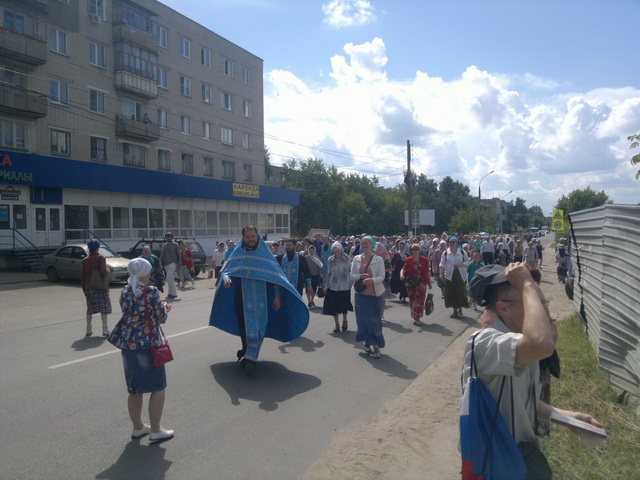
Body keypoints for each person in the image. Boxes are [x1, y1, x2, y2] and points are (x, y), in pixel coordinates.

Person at [462, 263, 601, 477]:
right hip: (495, 462)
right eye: (531, 300)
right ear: (504, 308)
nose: (541, 310)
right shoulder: (485, 343)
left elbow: (527, 403)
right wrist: (527, 284)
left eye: (541, 302)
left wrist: (568, 418)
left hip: (520, 458)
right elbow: (543, 343)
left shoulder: (520, 344)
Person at [209, 226, 309, 372]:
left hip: (261, 298)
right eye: (247, 237)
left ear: (257, 236)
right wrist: (226, 278)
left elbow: (275, 276)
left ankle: (251, 357)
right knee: (244, 327)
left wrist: (277, 296)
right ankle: (246, 349)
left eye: (253, 236)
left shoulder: (265, 253)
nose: (251, 239)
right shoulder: (238, 252)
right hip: (241, 298)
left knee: (258, 327)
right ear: (243, 238)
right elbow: (227, 270)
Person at [107, 258, 174, 443]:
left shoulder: (125, 290)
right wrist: (165, 308)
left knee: (134, 389)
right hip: (147, 346)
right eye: (149, 271)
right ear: (145, 273)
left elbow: (130, 313)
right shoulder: (151, 291)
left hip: (128, 345)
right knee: (158, 388)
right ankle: (156, 430)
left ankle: (138, 427)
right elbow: (160, 318)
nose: (151, 273)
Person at [351, 236, 385, 359]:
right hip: (360, 295)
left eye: (366, 243)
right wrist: (360, 276)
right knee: (363, 320)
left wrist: (372, 280)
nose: (364, 245)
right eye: (362, 243)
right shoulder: (356, 259)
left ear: (372, 245)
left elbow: (382, 276)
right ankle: (367, 342)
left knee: (374, 321)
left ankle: (375, 345)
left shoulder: (378, 259)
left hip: (374, 295)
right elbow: (352, 275)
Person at [81, 239, 112, 337]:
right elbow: (103, 272)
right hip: (100, 286)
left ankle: (88, 329)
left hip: (89, 286)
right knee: (104, 308)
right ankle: (105, 329)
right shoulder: (100, 258)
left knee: (90, 309)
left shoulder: (85, 260)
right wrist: (107, 270)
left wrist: (84, 289)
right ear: (98, 248)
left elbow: (83, 276)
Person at [322, 242, 353, 332]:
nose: (336, 253)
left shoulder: (346, 258)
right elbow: (329, 273)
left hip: (345, 285)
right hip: (333, 285)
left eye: (337, 252)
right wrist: (327, 285)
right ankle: (337, 324)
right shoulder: (330, 260)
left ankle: (345, 320)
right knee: (334, 306)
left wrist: (352, 281)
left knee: (344, 305)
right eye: (334, 252)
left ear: (341, 250)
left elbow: (350, 270)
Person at [400, 244, 432, 326]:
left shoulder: (424, 260)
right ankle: (415, 316)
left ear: (419, 250)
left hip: (421, 282)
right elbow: (403, 268)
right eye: (413, 249)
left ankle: (418, 318)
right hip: (411, 283)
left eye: (416, 249)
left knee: (420, 300)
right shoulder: (408, 259)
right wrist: (402, 275)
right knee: (413, 300)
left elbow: (427, 272)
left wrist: (429, 283)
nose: (414, 251)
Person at [440, 237, 470, 318]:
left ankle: (460, 310)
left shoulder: (462, 252)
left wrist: (460, 265)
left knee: (460, 292)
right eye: (450, 242)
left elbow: (467, 262)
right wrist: (441, 274)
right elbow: (442, 264)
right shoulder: (446, 253)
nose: (451, 244)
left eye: (453, 242)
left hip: (460, 274)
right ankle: (454, 310)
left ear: (456, 243)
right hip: (450, 275)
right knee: (451, 292)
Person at [159, 232, 180, 299]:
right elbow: (162, 255)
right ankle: (170, 293)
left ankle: (174, 293)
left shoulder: (175, 245)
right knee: (170, 278)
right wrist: (160, 263)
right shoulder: (165, 245)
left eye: (169, 236)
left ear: (172, 237)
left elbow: (179, 255)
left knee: (168, 277)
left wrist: (178, 264)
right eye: (167, 236)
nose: (168, 238)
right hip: (166, 264)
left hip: (173, 263)